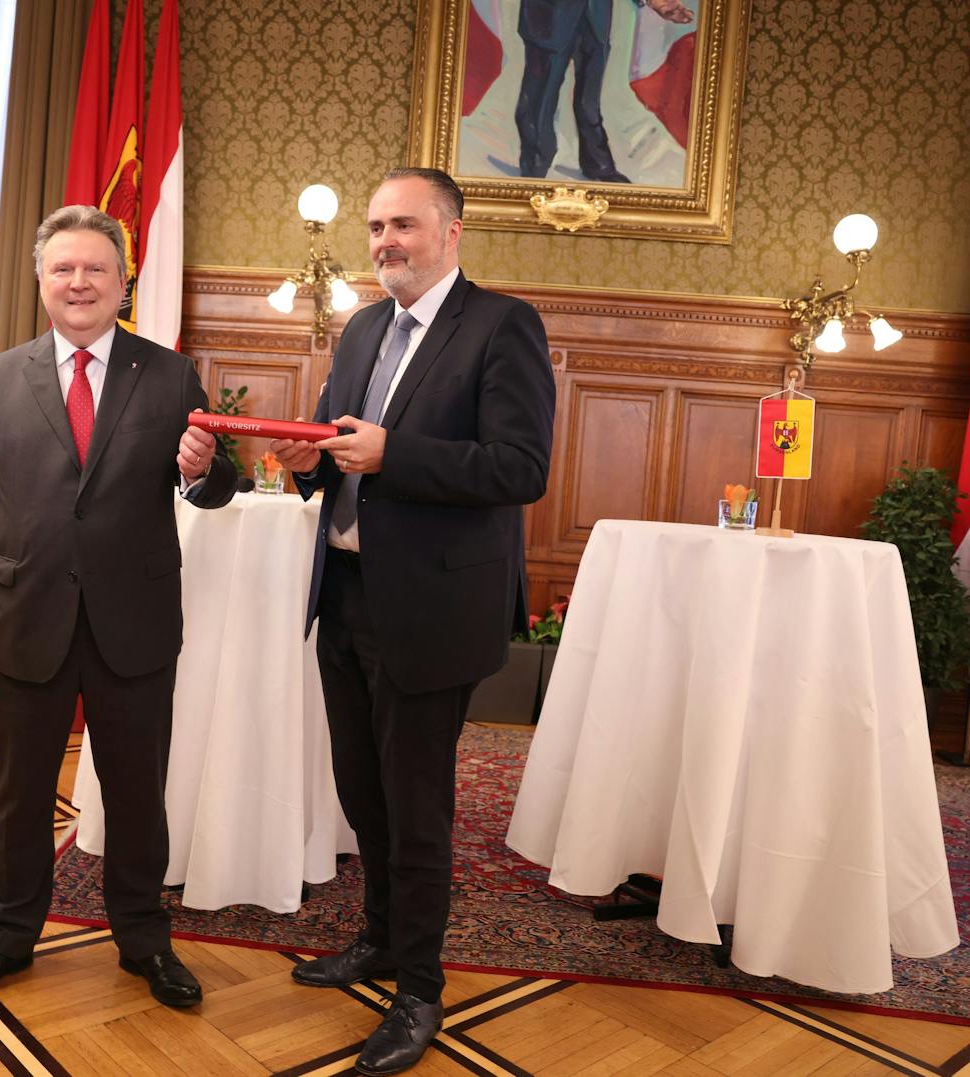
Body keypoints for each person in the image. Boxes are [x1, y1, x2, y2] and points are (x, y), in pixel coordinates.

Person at [269, 167, 554, 1076]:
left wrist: (397, 454)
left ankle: (420, 989)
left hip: (434, 607)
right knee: (365, 794)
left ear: (452, 232)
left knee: (417, 806)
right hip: (346, 597)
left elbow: (519, 467)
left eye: (403, 224)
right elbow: (332, 452)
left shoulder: (503, 325)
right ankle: (382, 940)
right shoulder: (359, 327)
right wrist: (301, 460)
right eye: (376, 226)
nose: (385, 241)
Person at [0, 204, 237, 1010]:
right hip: (26, 614)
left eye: (95, 268)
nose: (79, 282)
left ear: (121, 280)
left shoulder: (168, 374)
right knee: (18, 790)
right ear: (42, 281)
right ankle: (5, 936)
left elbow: (217, 484)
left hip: (132, 623)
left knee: (139, 791)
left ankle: (143, 938)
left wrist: (205, 468)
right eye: (63, 268)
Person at [514, 0, 693, 181]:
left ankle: (598, 164)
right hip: (549, 18)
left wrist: (657, 2)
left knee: (589, 101)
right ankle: (534, 167)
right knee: (540, 97)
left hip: (596, 17)